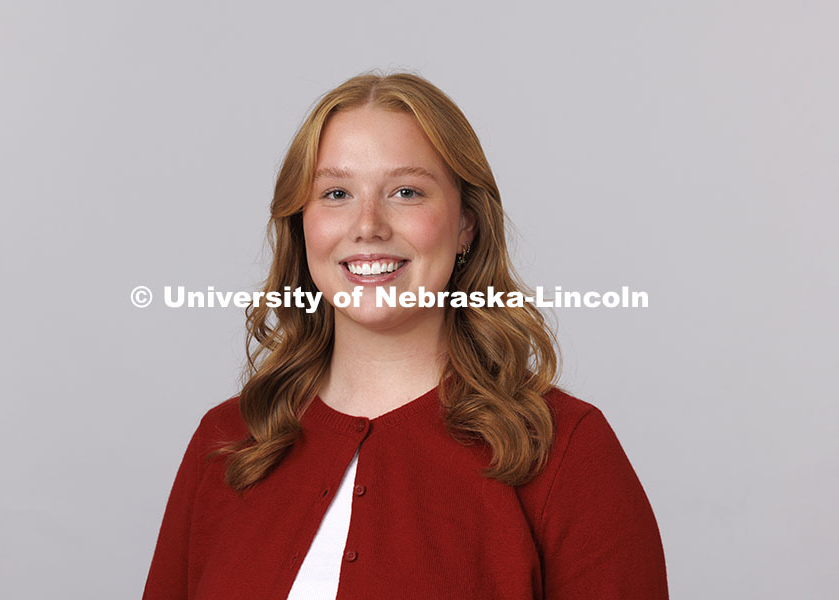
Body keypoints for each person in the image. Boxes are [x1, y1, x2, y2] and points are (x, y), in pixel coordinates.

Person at [142, 70, 669, 599]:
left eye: (407, 191)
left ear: (466, 224)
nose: (368, 224)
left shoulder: (563, 448)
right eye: (336, 192)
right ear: (301, 225)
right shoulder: (230, 441)